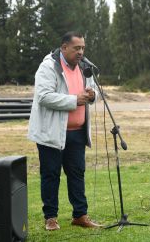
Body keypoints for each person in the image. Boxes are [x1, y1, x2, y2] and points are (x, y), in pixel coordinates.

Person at [28, 31, 101, 230]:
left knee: (77, 173)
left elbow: (93, 92)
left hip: (77, 131)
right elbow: (43, 96)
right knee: (51, 174)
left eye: (83, 48)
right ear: (64, 47)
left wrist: (92, 95)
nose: (81, 52)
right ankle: (50, 218)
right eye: (77, 48)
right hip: (51, 133)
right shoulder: (48, 66)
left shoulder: (85, 67)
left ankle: (80, 215)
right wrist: (74, 100)